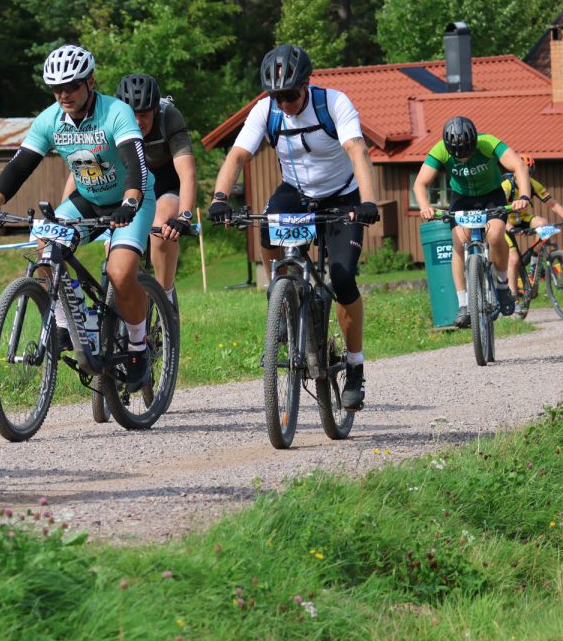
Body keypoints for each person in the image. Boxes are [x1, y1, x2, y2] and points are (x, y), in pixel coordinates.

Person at [0, 44, 156, 392]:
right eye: (56, 88)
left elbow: (135, 163)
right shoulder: (50, 120)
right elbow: (21, 164)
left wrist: (130, 201)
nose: (63, 94)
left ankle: (137, 345)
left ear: (90, 82)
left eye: (71, 86)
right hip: (87, 200)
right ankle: (69, 322)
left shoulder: (116, 112)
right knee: (44, 245)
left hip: (132, 200)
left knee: (120, 273)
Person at [208, 44, 379, 410]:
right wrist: (219, 198)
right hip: (297, 194)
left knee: (342, 280)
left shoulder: (333, 103)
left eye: (290, 95)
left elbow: (357, 151)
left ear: (306, 84)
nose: (284, 103)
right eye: (277, 96)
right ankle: (281, 297)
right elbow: (237, 155)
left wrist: (367, 201)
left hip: (342, 197)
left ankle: (355, 367)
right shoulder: (266, 110)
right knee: (267, 224)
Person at [412, 116, 531, 327]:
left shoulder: (488, 143)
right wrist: (424, 206)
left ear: (474, 142)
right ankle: (464, 304)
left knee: (495, 235)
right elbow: (420, 183)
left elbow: (519, 166)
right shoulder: (439, 150)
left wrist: (523, 196)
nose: (463, 158)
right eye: (458, 154)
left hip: (492, 196)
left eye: (467, 152)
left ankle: (502, 285)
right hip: (462, 198)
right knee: (459, 243)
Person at [112, 74, 198, 307]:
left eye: (144, 115)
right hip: (131, 187)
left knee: (160, 229)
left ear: (155, 111)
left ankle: (165, 298)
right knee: (112, 245)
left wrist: (185, 216)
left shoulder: (169, 117)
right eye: (132, 115)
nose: (137, 122)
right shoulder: (110, 119)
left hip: (166, 184)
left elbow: (187, 173)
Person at [501, 158, 563, 314]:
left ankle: (534, 264)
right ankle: (514, 299)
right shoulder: (506, 185)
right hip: (505, 222)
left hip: (522, 218)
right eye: (523, 172)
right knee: (514, 259)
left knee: (544, 224)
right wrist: (510, 228)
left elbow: (554, 205)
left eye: (529, 173)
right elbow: (499, 210)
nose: (526, 176)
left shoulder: (533, 184)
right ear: (515, 172)